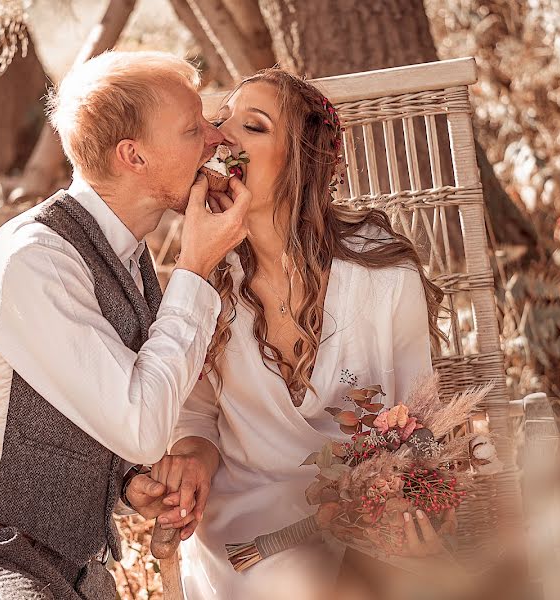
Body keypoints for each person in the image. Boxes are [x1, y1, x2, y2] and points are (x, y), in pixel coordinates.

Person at [0, 50, 251, 599]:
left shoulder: (128, 259)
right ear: (133, 155)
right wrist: (195, 270)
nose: (214, 138)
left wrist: (129, 483)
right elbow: (139, 424)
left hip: (77, 577)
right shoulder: (33, 261)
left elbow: (94, 409)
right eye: (191, 128)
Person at [150, 68, 451, 600]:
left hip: (361, 527)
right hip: (247, 535)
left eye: (255, 127)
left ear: (303, 162)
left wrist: (414, 506)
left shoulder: (382, 275)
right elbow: (196, 414)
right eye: (220, 123)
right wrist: (192, 462)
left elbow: (417, 418)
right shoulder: (206, 280)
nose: (224, 138)